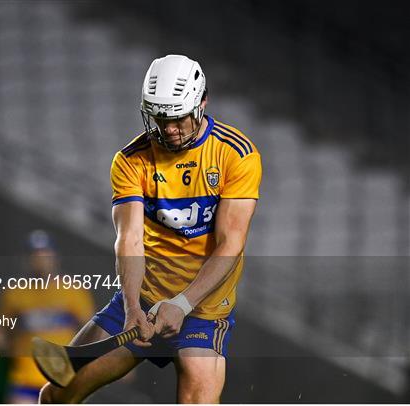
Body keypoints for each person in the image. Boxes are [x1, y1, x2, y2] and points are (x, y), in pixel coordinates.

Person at [40, 54, 262, 403]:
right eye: (159, 118)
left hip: (203, 311)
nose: (168, 129)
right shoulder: (131, 160)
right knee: (56, 395)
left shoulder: (237, 155)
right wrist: (131, 308)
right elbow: (129, 238)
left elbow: (230, 244)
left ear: (201, 103)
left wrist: (184, 304)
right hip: (143, 303)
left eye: (178, 119)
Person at [0, 230, 95, 403]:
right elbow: (4, 335)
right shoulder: (15, 293)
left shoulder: (73, 292)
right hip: (25, 378)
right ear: (27, 260)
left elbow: (92, 332)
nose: (40, 260)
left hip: (62, 380)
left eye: (45, 254)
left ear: (55, 257)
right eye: (35, 255)